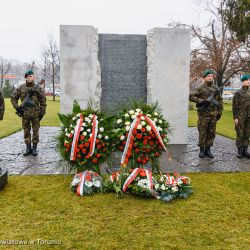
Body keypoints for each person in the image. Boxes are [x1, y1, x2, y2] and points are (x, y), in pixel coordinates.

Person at [11, 70, 47, 156]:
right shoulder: (21, 87)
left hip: (36, 114)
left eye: (30, 76)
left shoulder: (38, 88)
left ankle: (34, 148)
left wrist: (41, 113)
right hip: (25, 114)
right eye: (27, 76)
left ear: (33, 77)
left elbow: (43, 101)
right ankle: (28, 148)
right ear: (26, 78)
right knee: (26, 131)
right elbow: (13, 98)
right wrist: (18, 108)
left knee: (35, 131)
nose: (29, 78)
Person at [189, 69, 223, 158]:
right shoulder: (200, 88)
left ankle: (208, 150)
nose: (210, 77)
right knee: (202, 132)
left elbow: (220, 100)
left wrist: (220, 111)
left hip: (213, 115)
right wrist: (203, 101)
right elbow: (191, 96)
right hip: (203, 115)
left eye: (211, 76)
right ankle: (202, 150)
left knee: (211, 133)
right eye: (208, 76)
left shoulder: (216, 88)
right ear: (204, 78)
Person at [232, 75, 250, 158]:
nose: (248, 81)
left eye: (249, 80)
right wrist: (235, 117)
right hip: (240, 117)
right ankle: (239, 151)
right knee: (240, 134)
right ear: (243, 82)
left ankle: (245, 150)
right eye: (247, 80)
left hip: (249, 117)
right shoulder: (238, 93)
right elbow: (234, 106)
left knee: (247, 134)